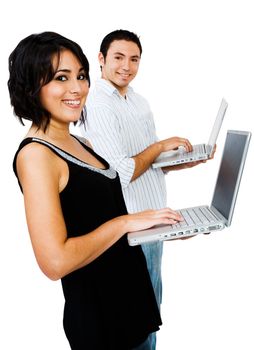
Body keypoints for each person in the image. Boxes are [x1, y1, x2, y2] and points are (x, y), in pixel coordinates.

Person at [8, 32, 184, 350]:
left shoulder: (81, 143)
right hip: (102, 322)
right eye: (61, 78)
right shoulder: (36, 156)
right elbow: (55, 261)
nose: (77, 88)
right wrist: (126, 222)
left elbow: (101, 215)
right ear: (31, 85)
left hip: (131, 306)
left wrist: (160, 226)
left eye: (81, 76)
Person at [80, 29, 213, 349]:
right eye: (118, 57)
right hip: (131, 229)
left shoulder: (137, 101)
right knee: (137, 323)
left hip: (152, 223)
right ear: (101, 59)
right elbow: (121, 172)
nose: (127, 65)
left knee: (150, 314)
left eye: (134, 59)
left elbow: (144, 163)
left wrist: (178, 162)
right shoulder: (97, 104)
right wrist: (159, 146)